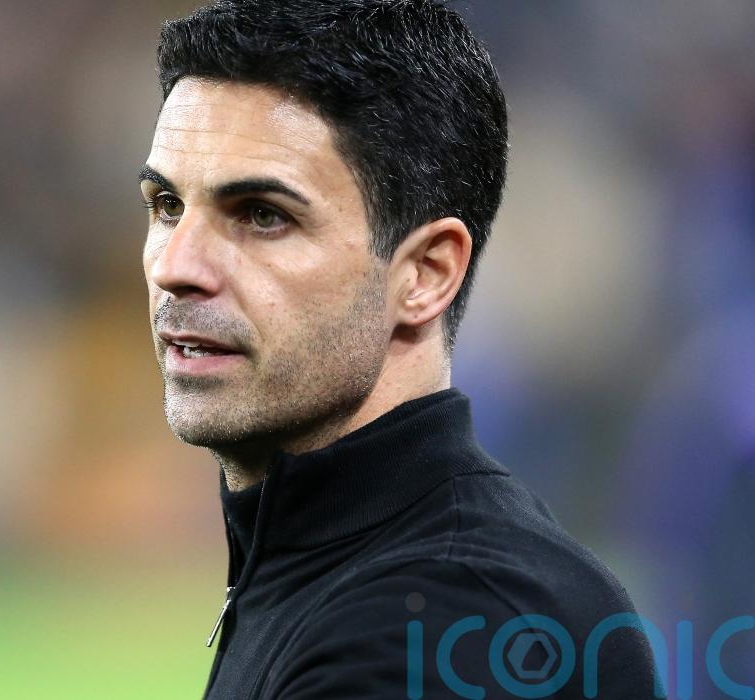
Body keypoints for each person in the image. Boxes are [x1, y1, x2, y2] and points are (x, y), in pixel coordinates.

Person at [139, 1, 661, 697]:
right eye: (167, 205)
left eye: (263, 215)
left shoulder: (440, 628)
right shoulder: (340, 564)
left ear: (425, 275)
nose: (177, 265)